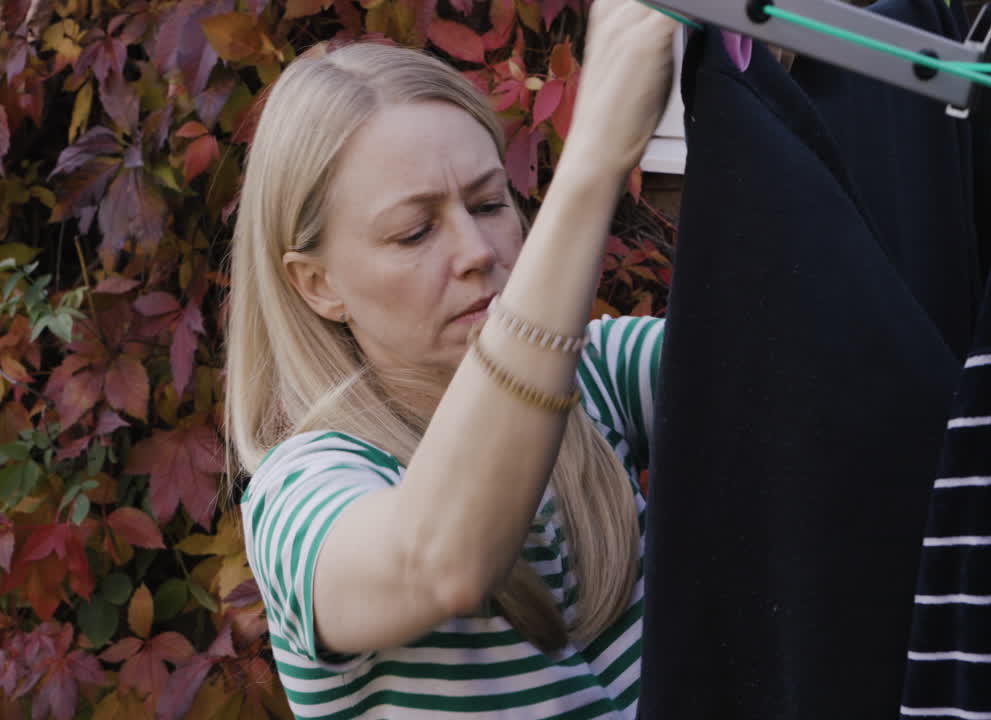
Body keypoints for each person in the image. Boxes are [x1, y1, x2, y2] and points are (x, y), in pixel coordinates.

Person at [223, 1, 676, 716]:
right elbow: (438, 562)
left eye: (490, 203)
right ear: (318, 285)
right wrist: (593, 163)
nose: (476, 252)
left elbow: (807, 355)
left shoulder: (599, 375)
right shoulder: (300, 493)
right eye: (413, 232)